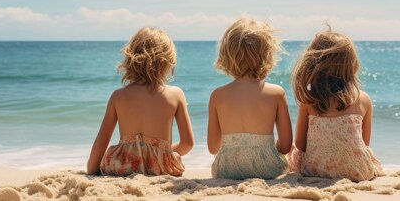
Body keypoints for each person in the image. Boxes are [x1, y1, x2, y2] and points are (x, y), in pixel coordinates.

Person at [87, 27, 194, 176]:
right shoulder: (176, 94)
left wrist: (92, 170)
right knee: (173, 159)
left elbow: (101, 142)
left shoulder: (118, 96)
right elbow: (187, 143)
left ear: (131, 59)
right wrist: (162, 154)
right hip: (160, 168)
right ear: (168, 62)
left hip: (123, 165)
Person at [288, 28, 382, 181]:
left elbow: (300, 144)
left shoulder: (309, 99)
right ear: (351, 65)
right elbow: (364, 144)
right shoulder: (364, 99)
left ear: (313, 63)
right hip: (358, 171)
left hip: (316, 169)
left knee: (292, 152)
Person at [207, 18, 292, 179]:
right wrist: (266, 147)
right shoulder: (276, 93)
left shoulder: (217, 95)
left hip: (226, 170)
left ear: (226, 56)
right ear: (267, 55)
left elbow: (213, 148)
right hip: (268, 169)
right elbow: (285, 146)